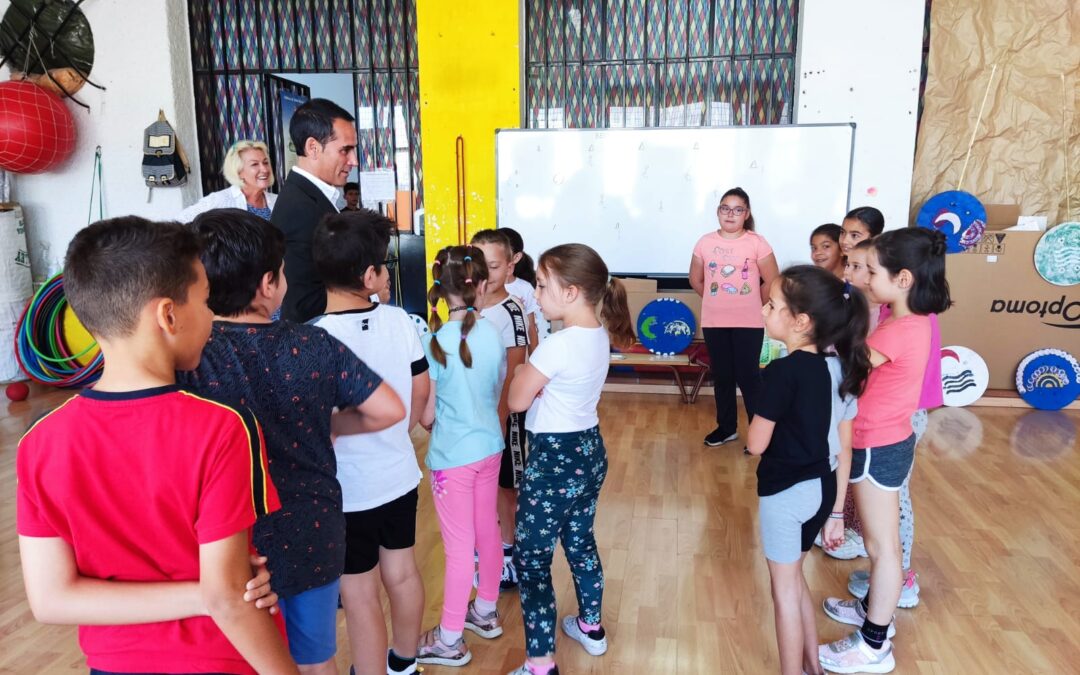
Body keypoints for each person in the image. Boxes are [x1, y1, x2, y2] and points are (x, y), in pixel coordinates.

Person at [17, 216, 297, 675]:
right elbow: (228, 596)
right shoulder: (222, 428)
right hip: (220, 660)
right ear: (169, 315)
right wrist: (211, 595)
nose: (210, 315)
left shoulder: (39, 443)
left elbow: (51, 598)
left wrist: (207, 593)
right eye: (205, 301)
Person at [178, 209, 405, 675]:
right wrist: (336, 427)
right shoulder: (314, 343)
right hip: (312, 529)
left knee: (243, 654)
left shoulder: (191, 357)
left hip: (232, 538)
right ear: (268, 285)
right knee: (315, 658)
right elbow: (389, 409)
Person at [819, 228, 951, 674]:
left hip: (878, 445)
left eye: (873, 272)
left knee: (882, 548)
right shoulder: (905, 321)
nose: (866, 279)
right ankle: (873, 612)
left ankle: (874, 644)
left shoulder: (900, 331)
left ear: (905, 279)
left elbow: (847, 371)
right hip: (883, 439)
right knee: (882, 545)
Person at [506, 244, 635, 675]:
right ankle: (590, 626)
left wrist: (528, 373)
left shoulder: (557, 347)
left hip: (554, 460)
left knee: (532, 559)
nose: (537, 295)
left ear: (571, 292)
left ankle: (540, 664)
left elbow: (517, 400)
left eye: (542, 287)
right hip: (588, 452)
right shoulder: (598, 334)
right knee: (580, 541)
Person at [310, 210, 427, 675]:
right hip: (398, 475)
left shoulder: (314, 336)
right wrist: (403, 429)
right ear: (370, 276)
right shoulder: (401, 321)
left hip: (347, 489)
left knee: (358, 591)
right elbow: (419, 389)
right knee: (402, 572)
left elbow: (318, 420)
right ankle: (405, 662)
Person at [746, 266, 870, 675]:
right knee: (795, 578)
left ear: (800, 321)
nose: (764, 311)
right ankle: (812, 667)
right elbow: (845, 446)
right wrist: (835, 513)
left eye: (771, 305)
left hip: (785, 494)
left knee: (783, 591)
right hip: (822, 489)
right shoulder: (839, 368)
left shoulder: (782, 372)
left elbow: (755, 444)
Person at [416, 245, 507, 668]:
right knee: (487, 530)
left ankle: (449, 638)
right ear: (483, 286)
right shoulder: (494, 333)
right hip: (490, 447)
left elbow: (429, 413)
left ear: (439, 288)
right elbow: (495, 390)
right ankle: (485, 612)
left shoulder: (434, 341)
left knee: (458, 548)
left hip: (453, 458)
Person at [689, 187, 780, 447]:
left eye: (737, 209)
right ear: (718, 212)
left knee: (749, 377)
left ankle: (759, 434)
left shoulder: (756, 242)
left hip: (748, 321)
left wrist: (753, 303)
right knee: (723, 376)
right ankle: (726, 428)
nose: (731, 214)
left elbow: (772, 279)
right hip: (714, 321)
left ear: (746, 213)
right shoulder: (705, 242)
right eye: (725, 208)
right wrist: (716, 301)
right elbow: (696, 279)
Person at [471, 229, 530, 591]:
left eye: (493, 265)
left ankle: (509, 554)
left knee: (505, 487)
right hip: (474, 417)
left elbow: (515, 366)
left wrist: (502, 415)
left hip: (502, 418)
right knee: (483, 486)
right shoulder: (467, 305)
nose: (486, 273)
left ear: (510, 267)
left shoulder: (511, 310)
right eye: (479, 264)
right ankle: (490, 546)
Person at [271, 98, 359, 322]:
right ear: (313, 148)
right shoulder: (299, 208)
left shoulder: (313, 196)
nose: (354, 161)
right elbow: (303, 303)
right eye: (345, 150)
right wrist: (365, 293)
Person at [178, 140, 278, 222]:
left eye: (265, 163)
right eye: (254, 164)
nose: (265, 169)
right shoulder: (219, 201)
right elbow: (180, 221)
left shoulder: (277, 201)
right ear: (238, 172)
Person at [500, 226, 546, 348]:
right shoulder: (482, 287)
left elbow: (531, 329)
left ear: (516, 257)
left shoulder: (525, 289)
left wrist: (533, 359)